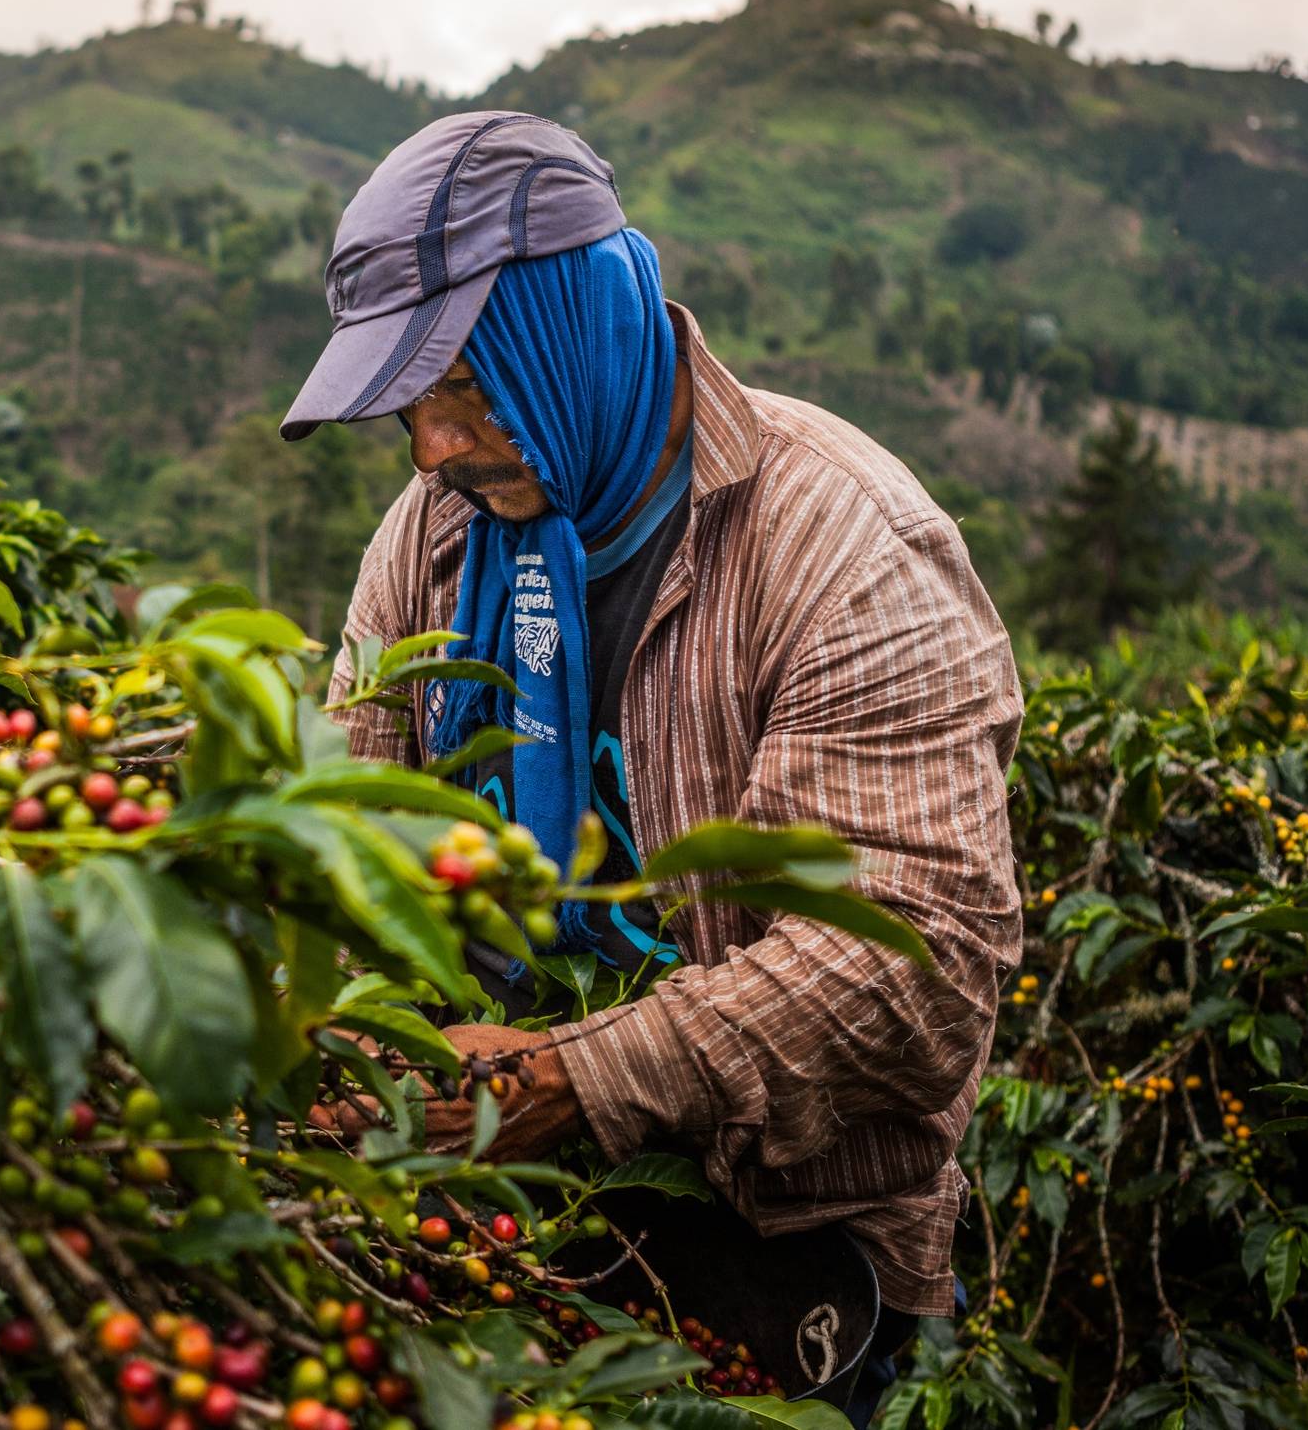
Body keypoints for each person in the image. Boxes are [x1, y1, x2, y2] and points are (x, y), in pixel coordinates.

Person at [282, 112, 1023, 1422]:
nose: (431, 449)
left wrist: (566, 1079)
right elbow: (354, 820)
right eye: (411, 405)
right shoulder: (440, 539)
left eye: (464, 385)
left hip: (787, 1254)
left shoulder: (844, 551)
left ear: (569, 322)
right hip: (511, 1234)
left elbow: (909, 966)